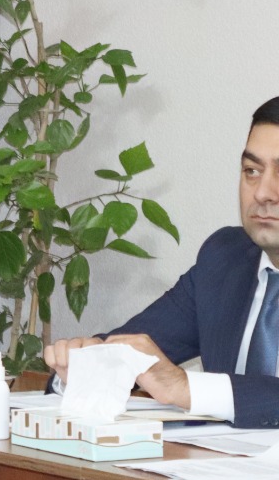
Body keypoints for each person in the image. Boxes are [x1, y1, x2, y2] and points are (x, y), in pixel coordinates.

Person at [45, 96, 279, 429]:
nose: (262, 193)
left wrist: (186, 388)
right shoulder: (225, 258)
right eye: (252, 171)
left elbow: (178, 385)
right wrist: (83, 366)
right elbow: (136, 350)